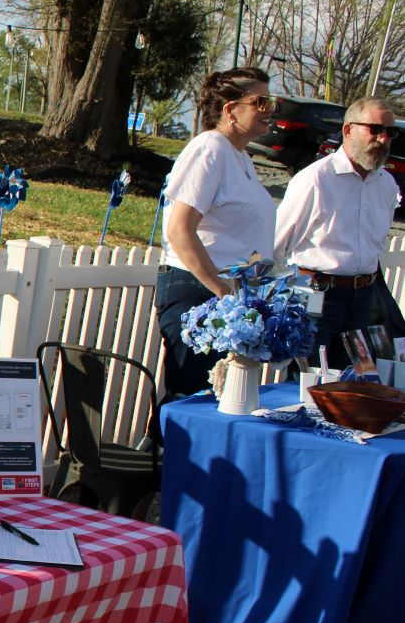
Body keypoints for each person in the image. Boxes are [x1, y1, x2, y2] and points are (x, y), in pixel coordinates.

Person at [155, 67, 279, 398]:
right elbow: (180, 230)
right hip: (199, 292)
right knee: (192, 400)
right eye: (261, 102)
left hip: (225, 295)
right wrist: (221, 292)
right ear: (230, 110)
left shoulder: (240, 156)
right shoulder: (209, 149)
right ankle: (167, 450)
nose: (271, 111)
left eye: (273, 102)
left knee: (215, 401)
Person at [274, 97, 402, 365]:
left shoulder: (386, 184)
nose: (383, 139)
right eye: (375, 129)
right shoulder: (316, 179)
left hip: (364, 298)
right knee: (309, 388)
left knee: (352, 384)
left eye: (391, 132)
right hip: (317, 296)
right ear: (348, 130)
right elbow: (277, 243)